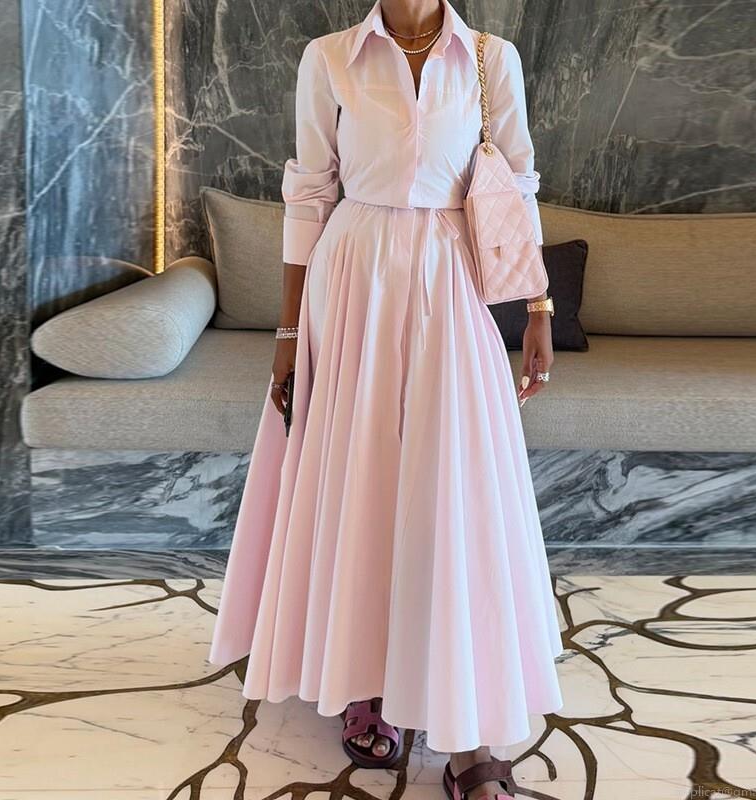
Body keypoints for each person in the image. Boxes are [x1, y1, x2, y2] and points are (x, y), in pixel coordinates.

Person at [209, 0, 564, 797]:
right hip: (352, 277)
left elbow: (518, 182)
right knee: (360, 481)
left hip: (452, 275)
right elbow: (309, 194)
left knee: (456, 486)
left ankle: (471, 728)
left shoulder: (490, 58)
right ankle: (364, 678)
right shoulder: (330, 55)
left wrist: (538, 307)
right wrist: (288, 332)